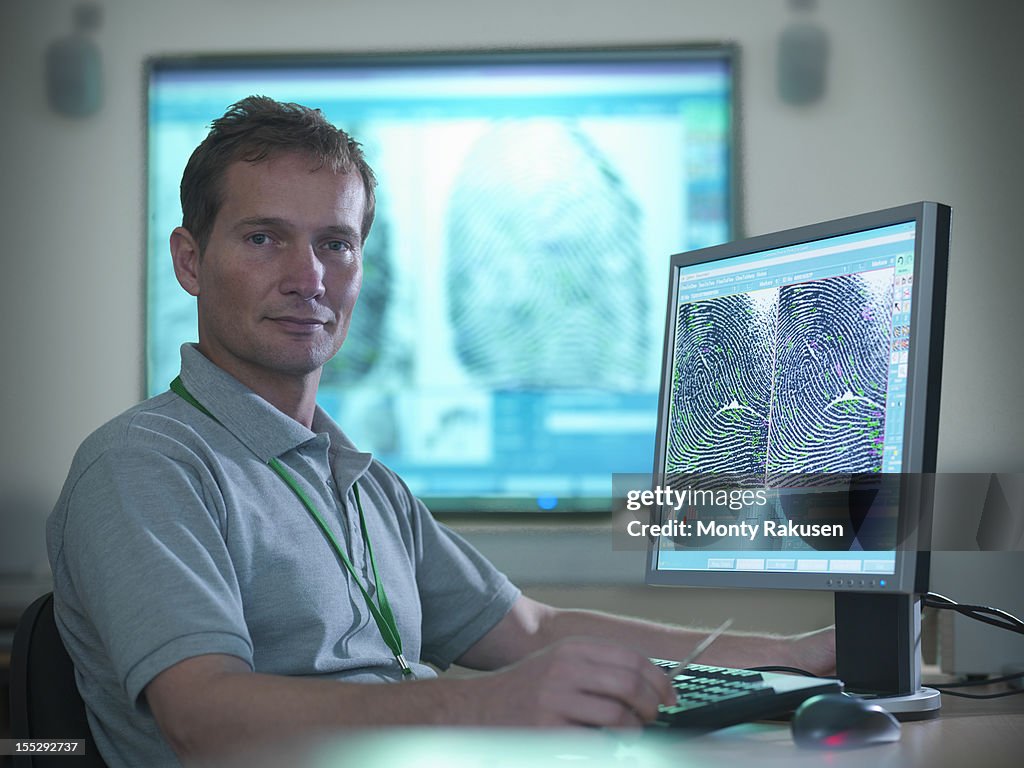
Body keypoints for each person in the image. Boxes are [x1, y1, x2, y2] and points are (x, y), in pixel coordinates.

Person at [47, 96, 834, 767]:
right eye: (263, 238)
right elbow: (206, 719)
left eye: (335, 243)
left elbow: (533, 628)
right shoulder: (145, 465)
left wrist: (793, 657)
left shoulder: (357, 479)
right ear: (190, 260)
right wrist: (483, 706)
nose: (308, 278)